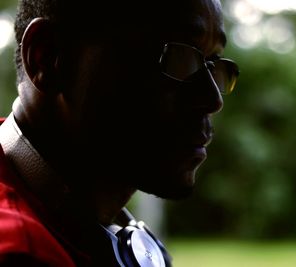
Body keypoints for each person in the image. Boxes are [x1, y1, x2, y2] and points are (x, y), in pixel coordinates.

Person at [0, 0, 239, 266]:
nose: (213, 99)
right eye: (179, 57)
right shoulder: (21, 252)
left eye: (214, 63)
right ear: (48, 57)